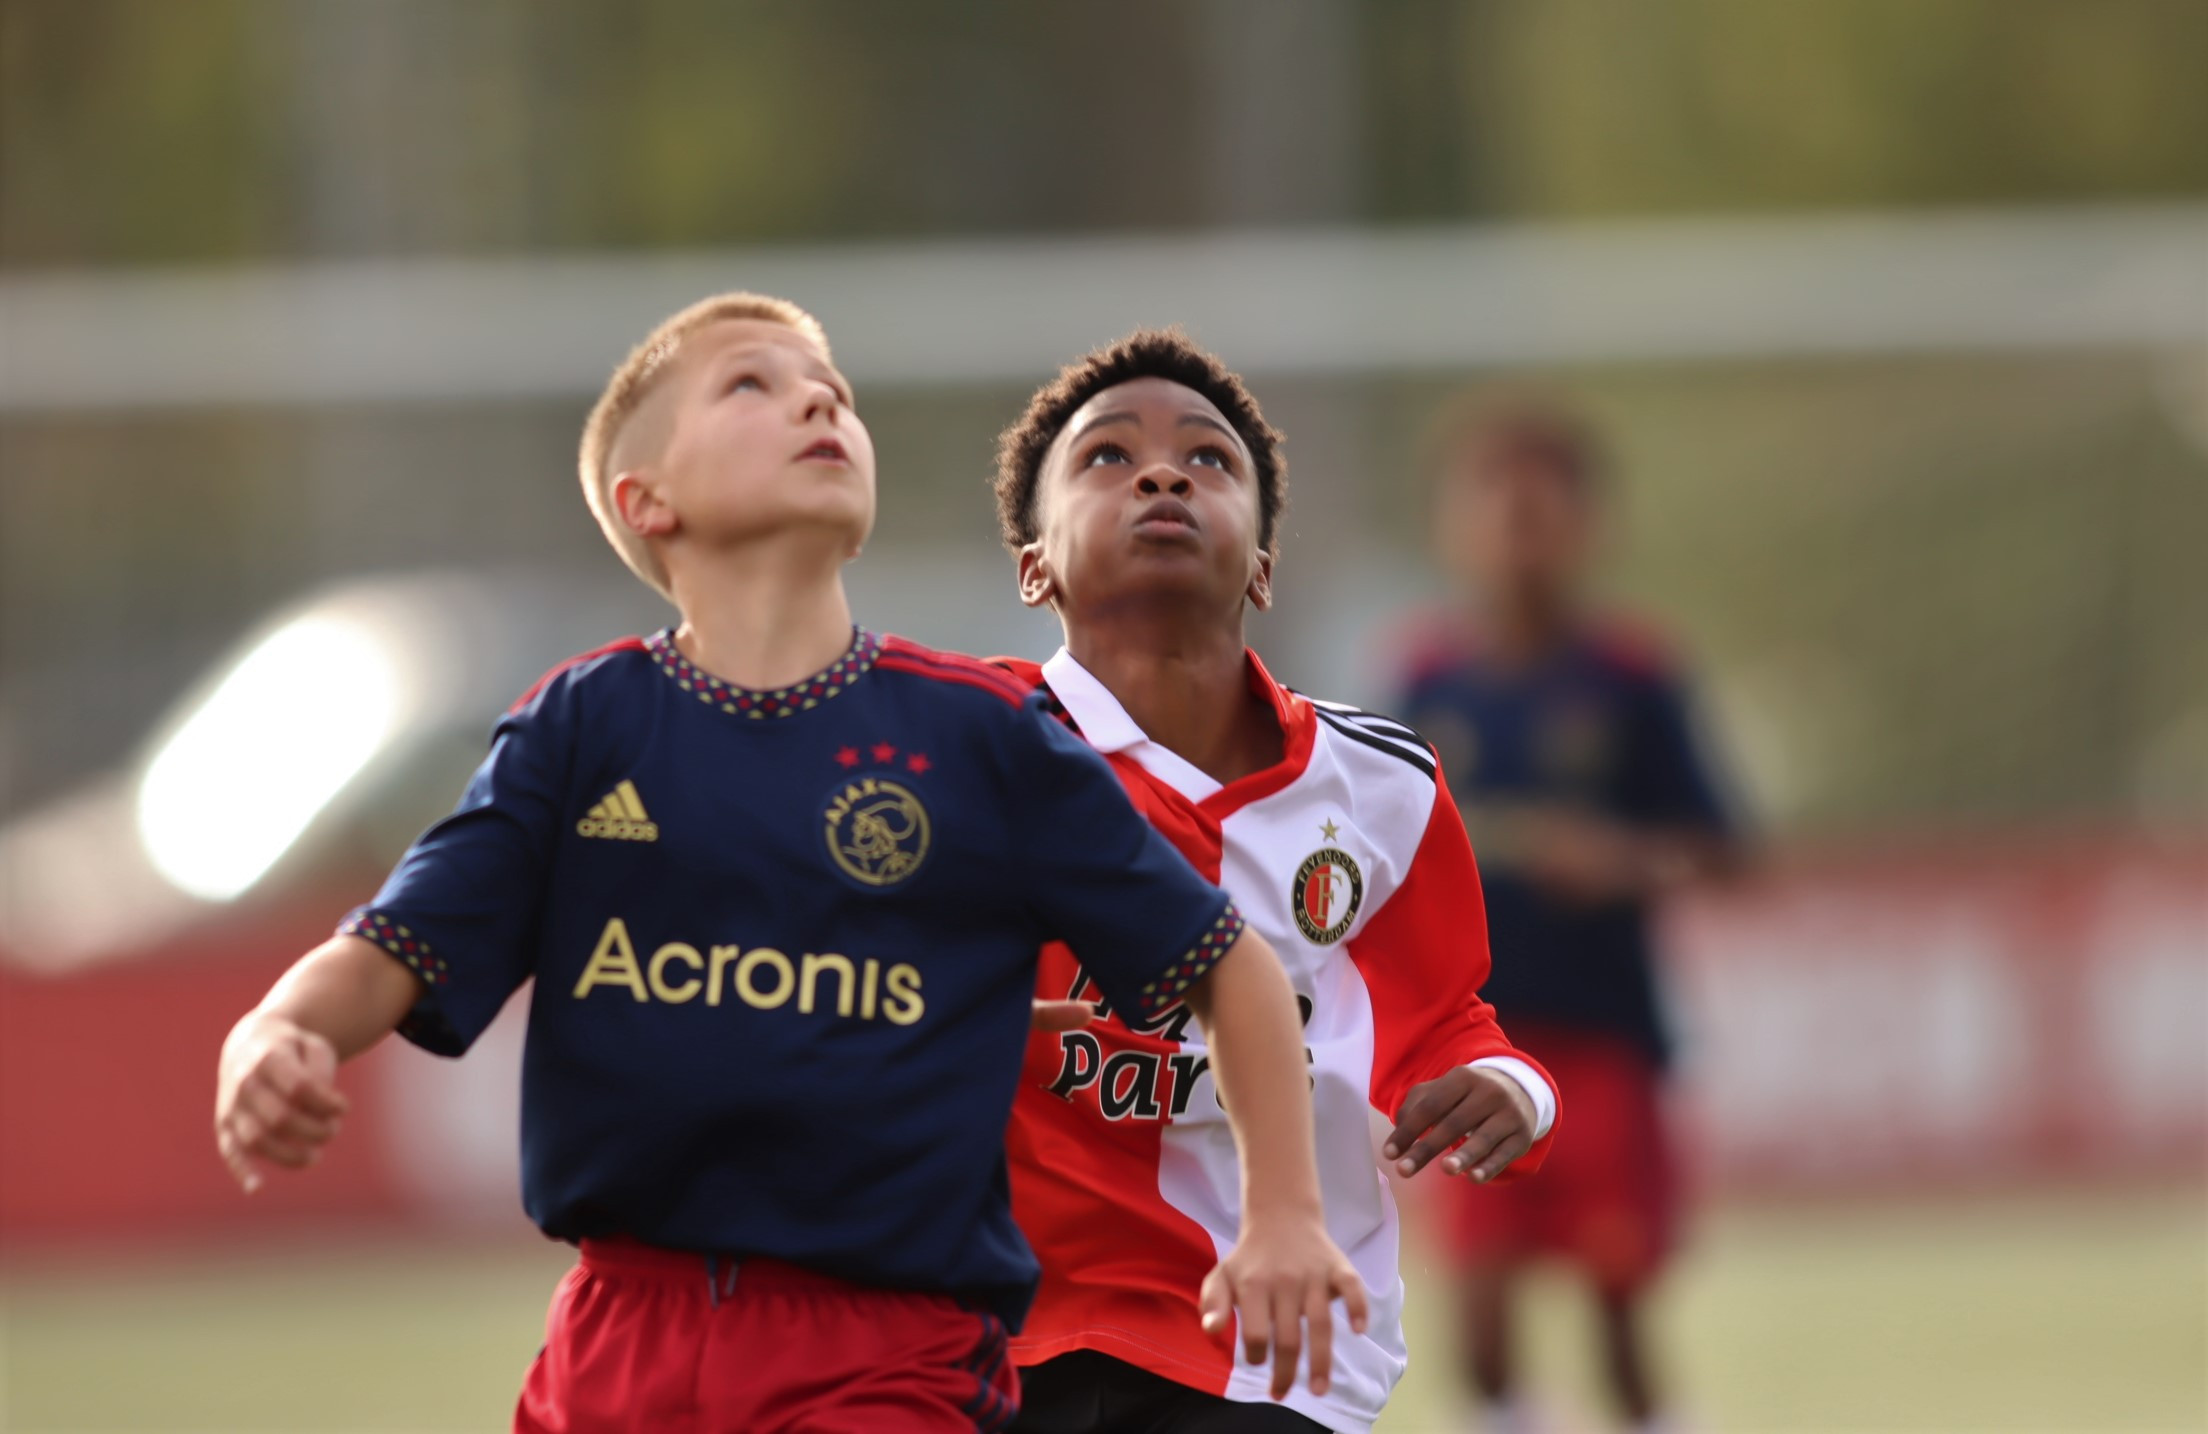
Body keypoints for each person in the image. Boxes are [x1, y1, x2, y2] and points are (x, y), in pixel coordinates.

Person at [212, 293, 1366, 1434]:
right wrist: (278, 1028)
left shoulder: (981, 738)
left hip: (887, 1356)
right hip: (615, 1347)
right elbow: (399, 941)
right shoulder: (583, 727)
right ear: (645, 499)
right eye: (751, 384)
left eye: (837, 394)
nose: (818, 398)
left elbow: (1233, 969)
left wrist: (1283, 1216)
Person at [987, 330, 1559, 1434]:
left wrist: (1511, 1087)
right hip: (1008, 1328)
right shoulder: (964, 748)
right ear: (1034, 567)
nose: (1162, 473)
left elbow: (1439, 1019)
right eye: (1106, 458)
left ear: (1260, 563)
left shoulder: (1382, 786)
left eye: (1210, 460)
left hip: (1276, 1347)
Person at [1397, 403, 1743, 1434]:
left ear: (1589, 527)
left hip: (1602, 1042)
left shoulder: (1633, 678)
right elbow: (1375, 835)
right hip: (1469, 1044)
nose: (1517, 532)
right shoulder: (1425, 679)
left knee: (1619, 1312)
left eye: (1541, 510)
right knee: (1484, 1324)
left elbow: (1724, 849)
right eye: (1495, 508)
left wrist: (1627, 860)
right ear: (1454, 528)